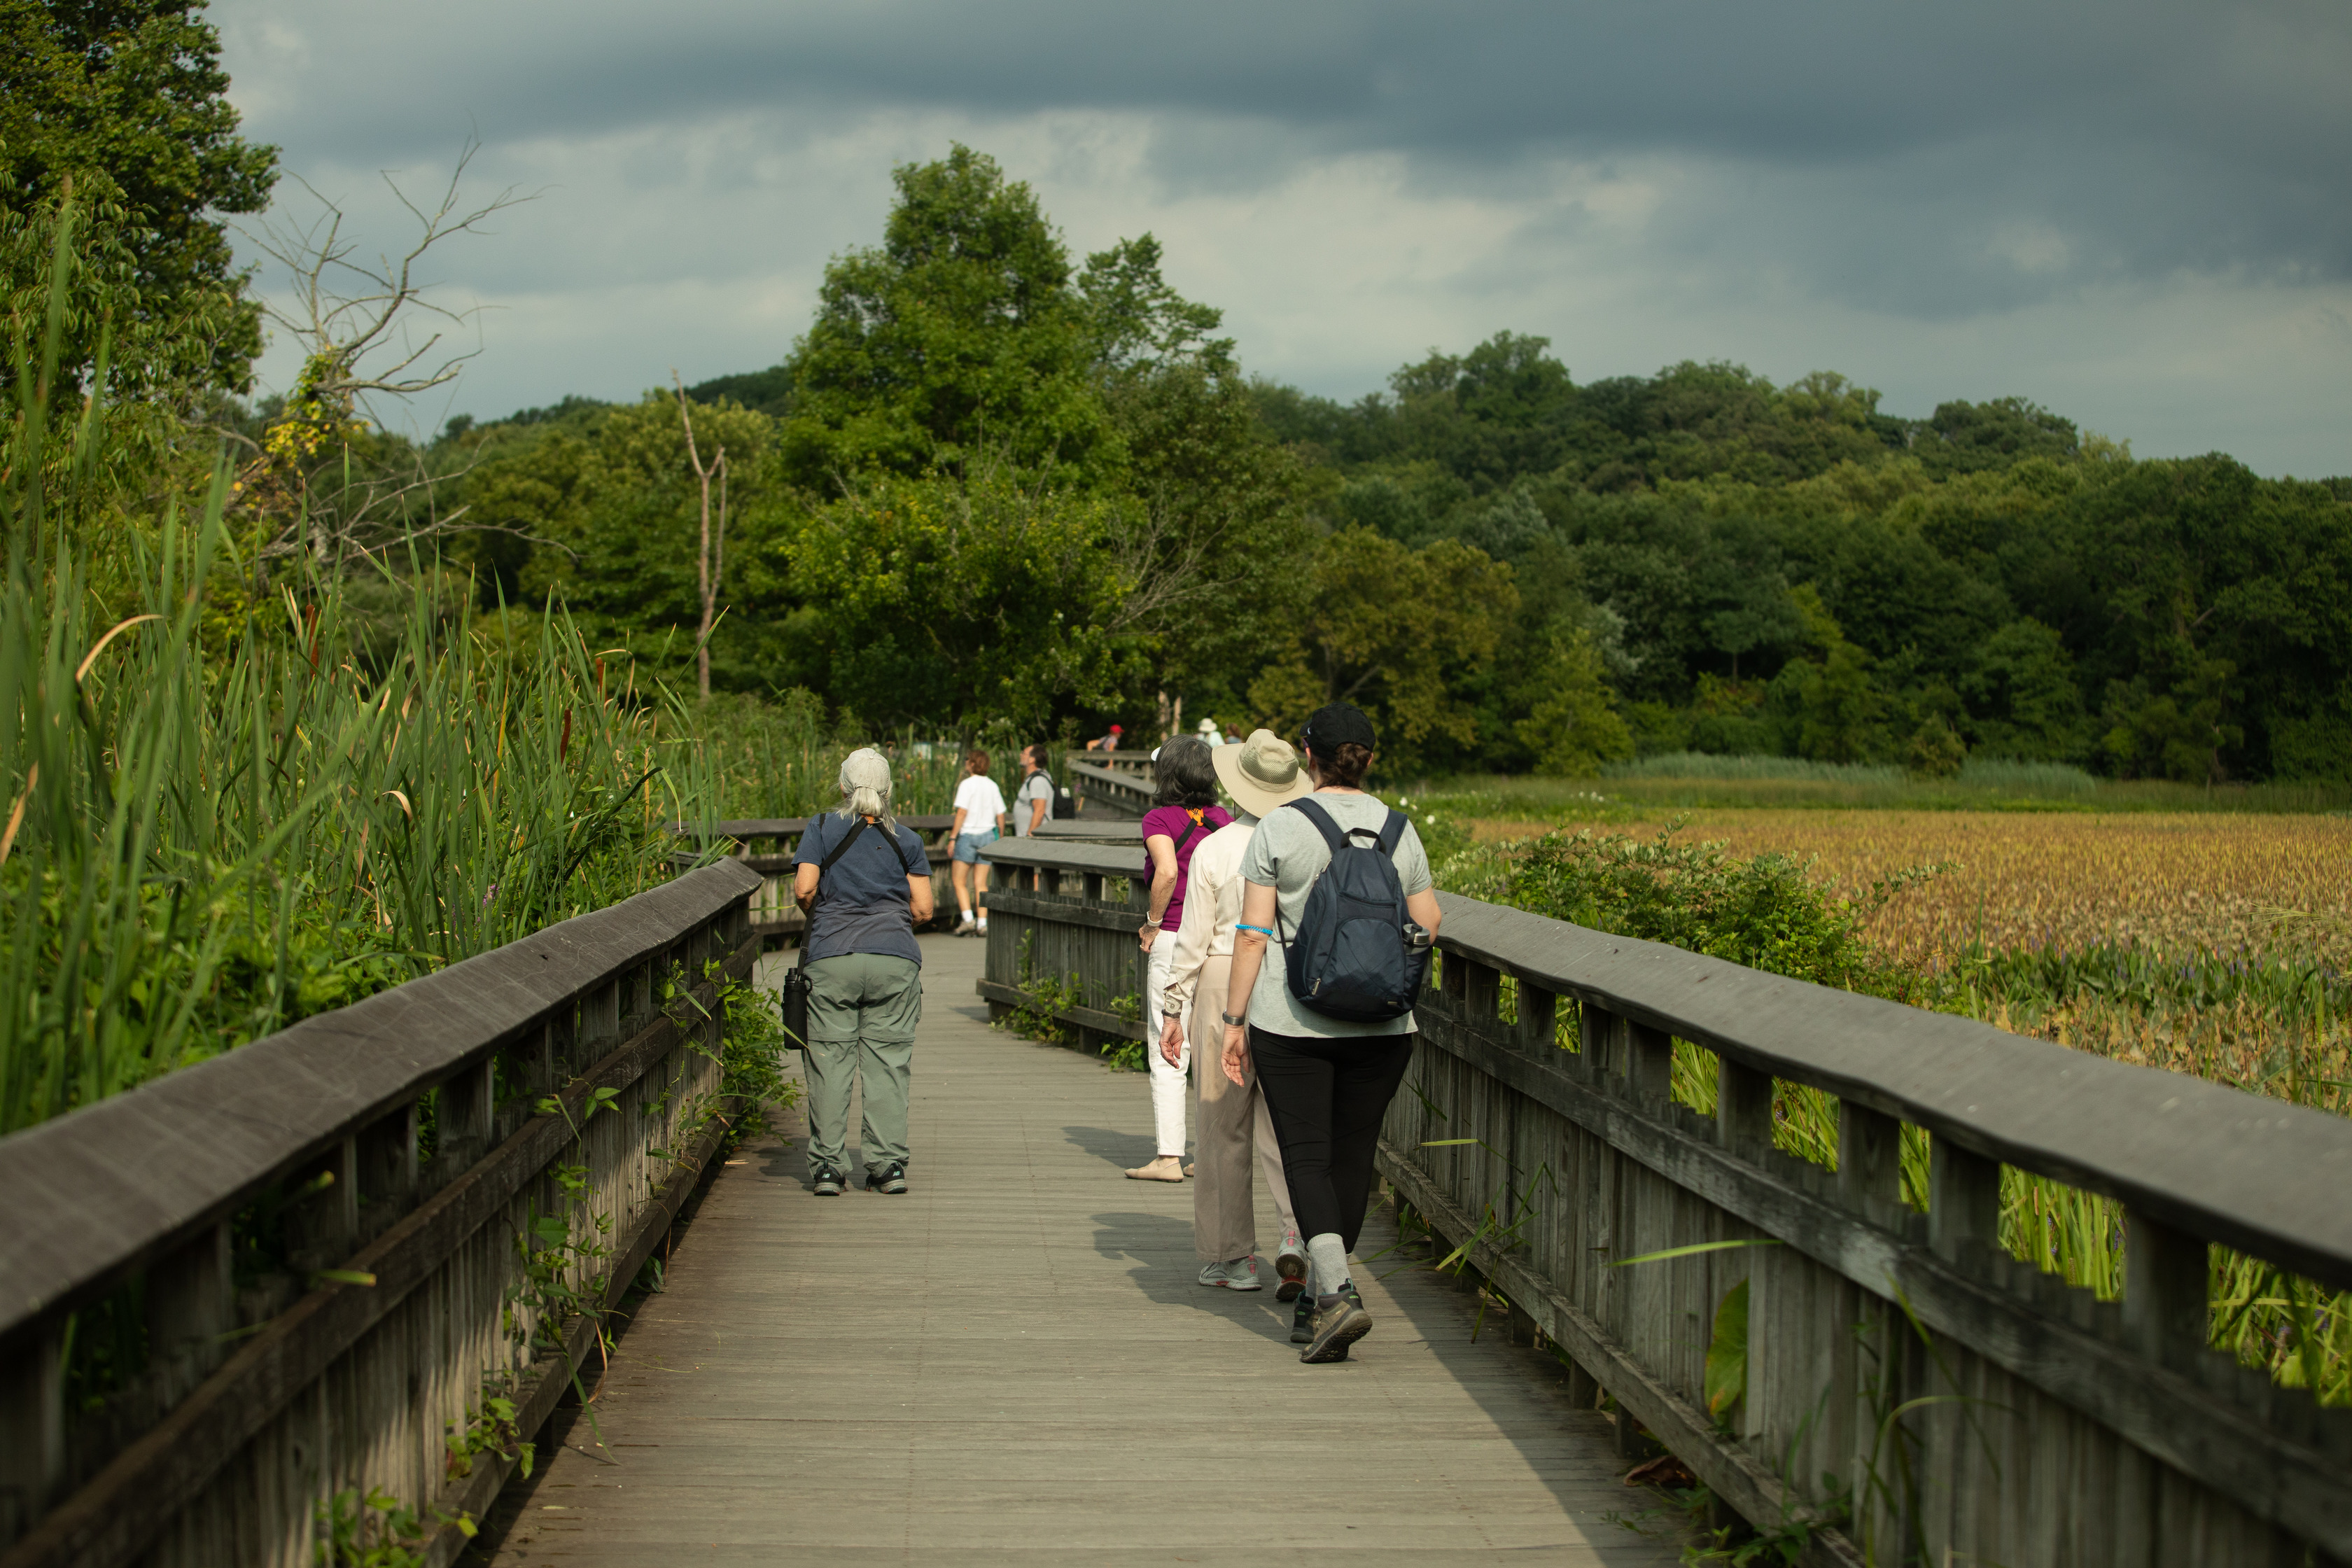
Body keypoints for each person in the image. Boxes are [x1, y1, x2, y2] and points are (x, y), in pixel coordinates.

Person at [1219, 703, 1441, 1362]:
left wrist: (1234, 1022)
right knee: (1352, 1157)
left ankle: (1338, 1293)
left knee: (1305, 1157)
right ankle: (1321, 1302)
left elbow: (1254, 935)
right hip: (1384, 1026)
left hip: (1293, 1023)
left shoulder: (1280, 828)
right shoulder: (1402, 830)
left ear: (1308, 758)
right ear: (1369, 758)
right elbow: (1429, 924)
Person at [1161, 730, 1311, 1297]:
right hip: (1288, 980)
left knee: (1222, 1123)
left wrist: (1174, 1007)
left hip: (1225, 976)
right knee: (1286, 1123)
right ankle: (1295, 1236)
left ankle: (1233, 1257)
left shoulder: (1214, 848)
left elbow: (1192, 940)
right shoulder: (1303, 844)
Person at [793, 748, 935, 1197]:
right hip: (894, 958)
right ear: (889, 789)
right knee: (888, 1064)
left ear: (843, 787)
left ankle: (829, 1170)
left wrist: (826, 915)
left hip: (831, 958)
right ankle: (887, 1166)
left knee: (829, 1064)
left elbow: (804, 888)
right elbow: (926, 908)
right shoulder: (907, 839)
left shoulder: (819, 828)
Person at [1124, 737, 1232, 1182]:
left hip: (1173, 938)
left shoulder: (1159, 818)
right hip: (1218, 943)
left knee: (1168, 1046)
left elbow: (1167, 872)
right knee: (1213, 1047)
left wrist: (1152, 921)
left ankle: (1169, 1156)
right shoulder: (1223, 819)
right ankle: (1210, 1153)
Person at [948, 749, 1007, 937]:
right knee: (981, 883)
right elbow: (1001, 816)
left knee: (959, 881)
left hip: (968, 836)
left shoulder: (967, 785)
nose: (966, 763)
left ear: (973, 764)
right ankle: (983, 923)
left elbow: (962, 813)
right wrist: (999, 838)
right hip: (988, 837)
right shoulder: (993, 785)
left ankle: (968, 919)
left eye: (968, 760)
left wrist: (952, 837)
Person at [1012, 743, 1057, 836]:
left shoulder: (1038, 781)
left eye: (1024, 753)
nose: (1021, 755)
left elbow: (1040, 811)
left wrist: (1030, 835)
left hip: (1033, 843)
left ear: (1032, 759)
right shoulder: (1035, 779)